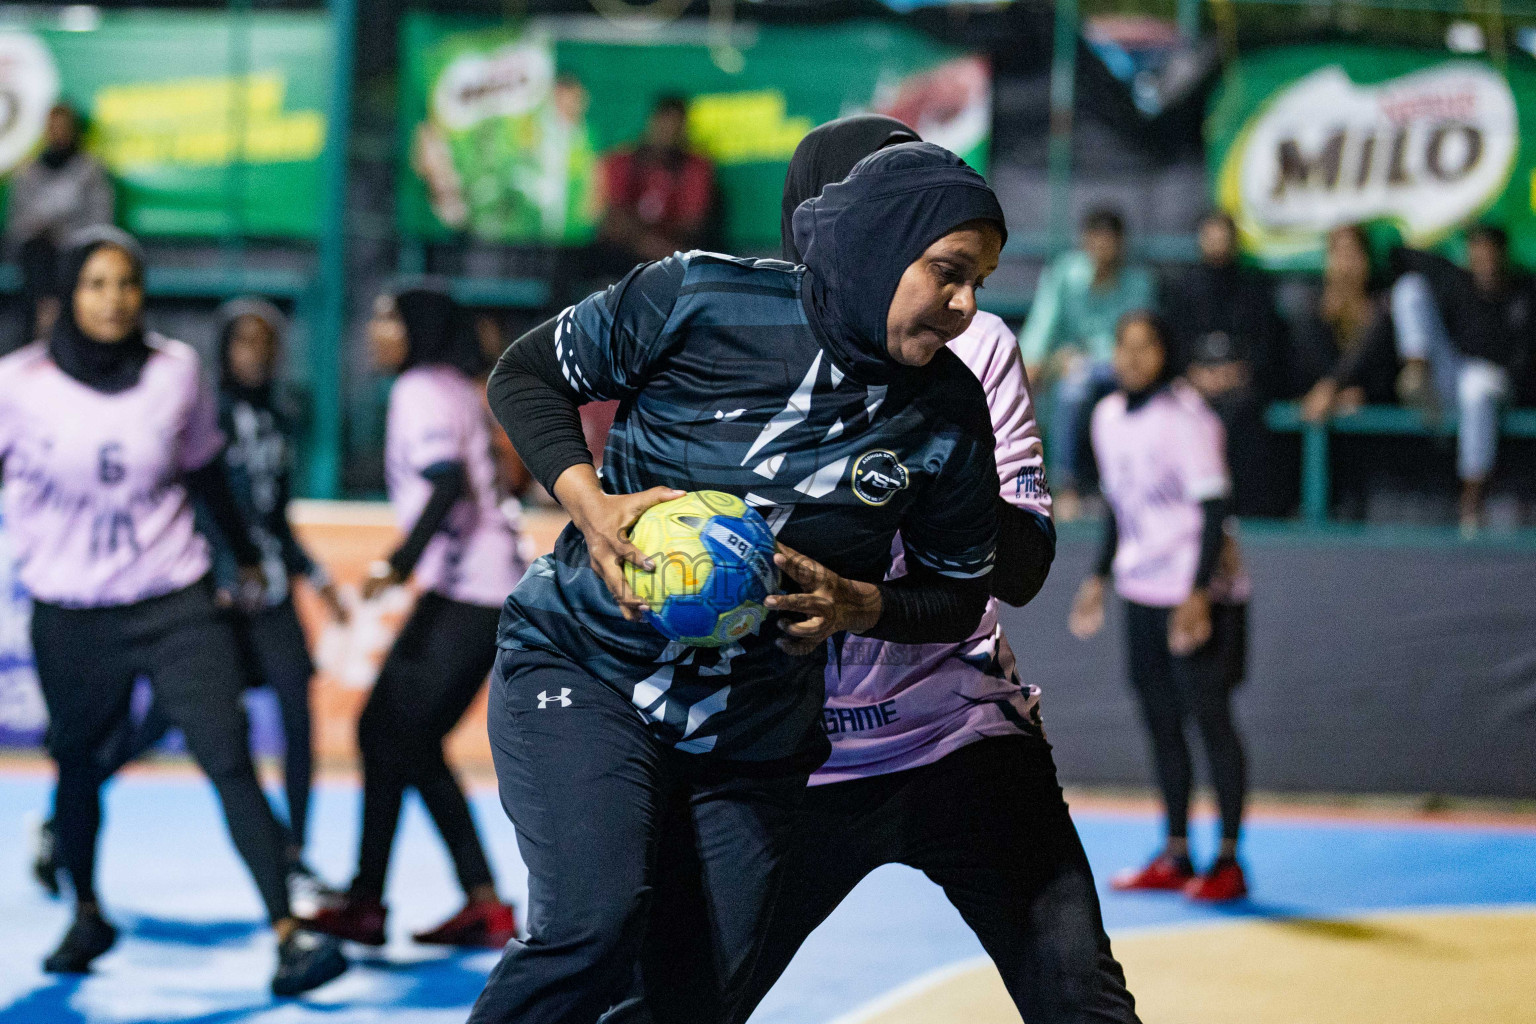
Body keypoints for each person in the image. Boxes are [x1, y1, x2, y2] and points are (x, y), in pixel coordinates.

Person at [474, 141, 1006, 1024]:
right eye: (949, 273)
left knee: (694, 1000)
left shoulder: (949, 412)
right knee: (591, 928)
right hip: (585, 668)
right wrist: (592, 504)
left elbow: (957, 594)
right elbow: (524, 374)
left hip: (754, 734)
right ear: (880, 247)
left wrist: (861, 605)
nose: (967, 306)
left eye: (981, 280)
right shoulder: (697, 295)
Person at [725, 114, 1140, 1024]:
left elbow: (1024, 566)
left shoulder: (974, 345)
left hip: (958, 736)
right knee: (667, 1001)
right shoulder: (736, 337)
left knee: (1085, 1006)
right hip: (790, 756)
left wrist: (929, 451)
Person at [0, 227, 347, 993]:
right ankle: (86, 909)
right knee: (79, 769)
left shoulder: (176, 370)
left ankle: (288, 935)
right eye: (95, 283)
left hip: (174, 600)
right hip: (73, 613)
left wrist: (248, 557)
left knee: (226, 757)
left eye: (126, 282)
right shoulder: (15, 385)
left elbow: (205, 471)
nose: (114, 298)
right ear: (66, 295)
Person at [307, 285, 522, 949]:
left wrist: (397, 564)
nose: (375, 330)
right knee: (405, 738)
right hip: (486, 589)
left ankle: (372, 901)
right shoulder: (456, 386)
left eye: (385, 317)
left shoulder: (419, 391)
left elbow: (446, 481)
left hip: (467, 592)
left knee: (386, 729)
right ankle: (476, 903)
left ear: (418, 330)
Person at [1069, 310, 1251, 903]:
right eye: (1124, 345)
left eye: (1146, 346)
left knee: (1211, 720)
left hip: (1194, 595)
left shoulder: (1188, 418)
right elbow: (1120, 510)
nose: (1132, 356)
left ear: (1165, 353)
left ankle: (1227, 859)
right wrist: (1098, 577)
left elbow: (1214, 507)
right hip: (1142, 591)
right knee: (1160, 722)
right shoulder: (1106, 416)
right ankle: (1176, 852)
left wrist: (1199, 594)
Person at [1389, 225, 1535, 532]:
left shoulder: (1523, 293)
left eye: (1489, 250)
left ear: (1502, 254)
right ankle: (1417, 371)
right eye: (1476, 250)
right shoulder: (1456, 280)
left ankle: (1471, 498)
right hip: (1451, 376)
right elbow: (1399, 253)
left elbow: (1523, 361)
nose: (1483, 258)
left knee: (1477, 386)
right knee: (1409, 288)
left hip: (1496, 383)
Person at [1020, 207, 1155, 517]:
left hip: (1123, 369)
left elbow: (1142, 339)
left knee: (1084, 377)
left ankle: (1127, 488)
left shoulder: (1138, 282)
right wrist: (1036, 361)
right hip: (1074, 370)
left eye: (1110, 238)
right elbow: (1042, 325)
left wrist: (1091, 359)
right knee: (1072, 386)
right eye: (1096, 237)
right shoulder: (1065, 273)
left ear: (1121, 243)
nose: (1103, 246)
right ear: (1085, 240)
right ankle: (1065, 486)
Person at [1159, 211, 1289, 516]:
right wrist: (1194, 374)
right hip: (1192, 385)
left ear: (1234, 240)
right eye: (1211, 235)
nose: (1217, 242)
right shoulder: (1183, 289)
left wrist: (1238, 372)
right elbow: (1172, 344)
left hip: (1242, 387)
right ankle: (1187, 501)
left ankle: (1244, 507)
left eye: (1223, 235)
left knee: (1244, 415)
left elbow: (1267, 344)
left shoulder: (1255, 288)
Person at [4, 103, 114, 346]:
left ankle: (55, 329)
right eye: (53, 127)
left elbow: (102, 222)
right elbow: (17, 225)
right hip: (38, 254)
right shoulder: (28, 172)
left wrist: (61, 229)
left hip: (76, 251)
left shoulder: (91, 171)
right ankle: (45, 322)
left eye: (64, 127)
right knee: (37, 249)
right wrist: (46, 224)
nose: (58, 133)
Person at [593, 95, 716, 274]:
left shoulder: (694, 167)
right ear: (651, 122)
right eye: (663, 124)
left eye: (675, 127)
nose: (667, 133)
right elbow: (612, 221)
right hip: (625, 261)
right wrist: (648, 244)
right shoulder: (623, 162)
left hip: (674, 260)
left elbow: (692, 223)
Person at [1291, 224, 1398, 421]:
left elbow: (1385, 378)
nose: (1346, 265)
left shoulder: (1382, 312)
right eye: (1339, 254)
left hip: (1375, 424)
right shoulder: (1313, 314)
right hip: (1321, 418)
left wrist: (1336, 389)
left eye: (1352, 254)